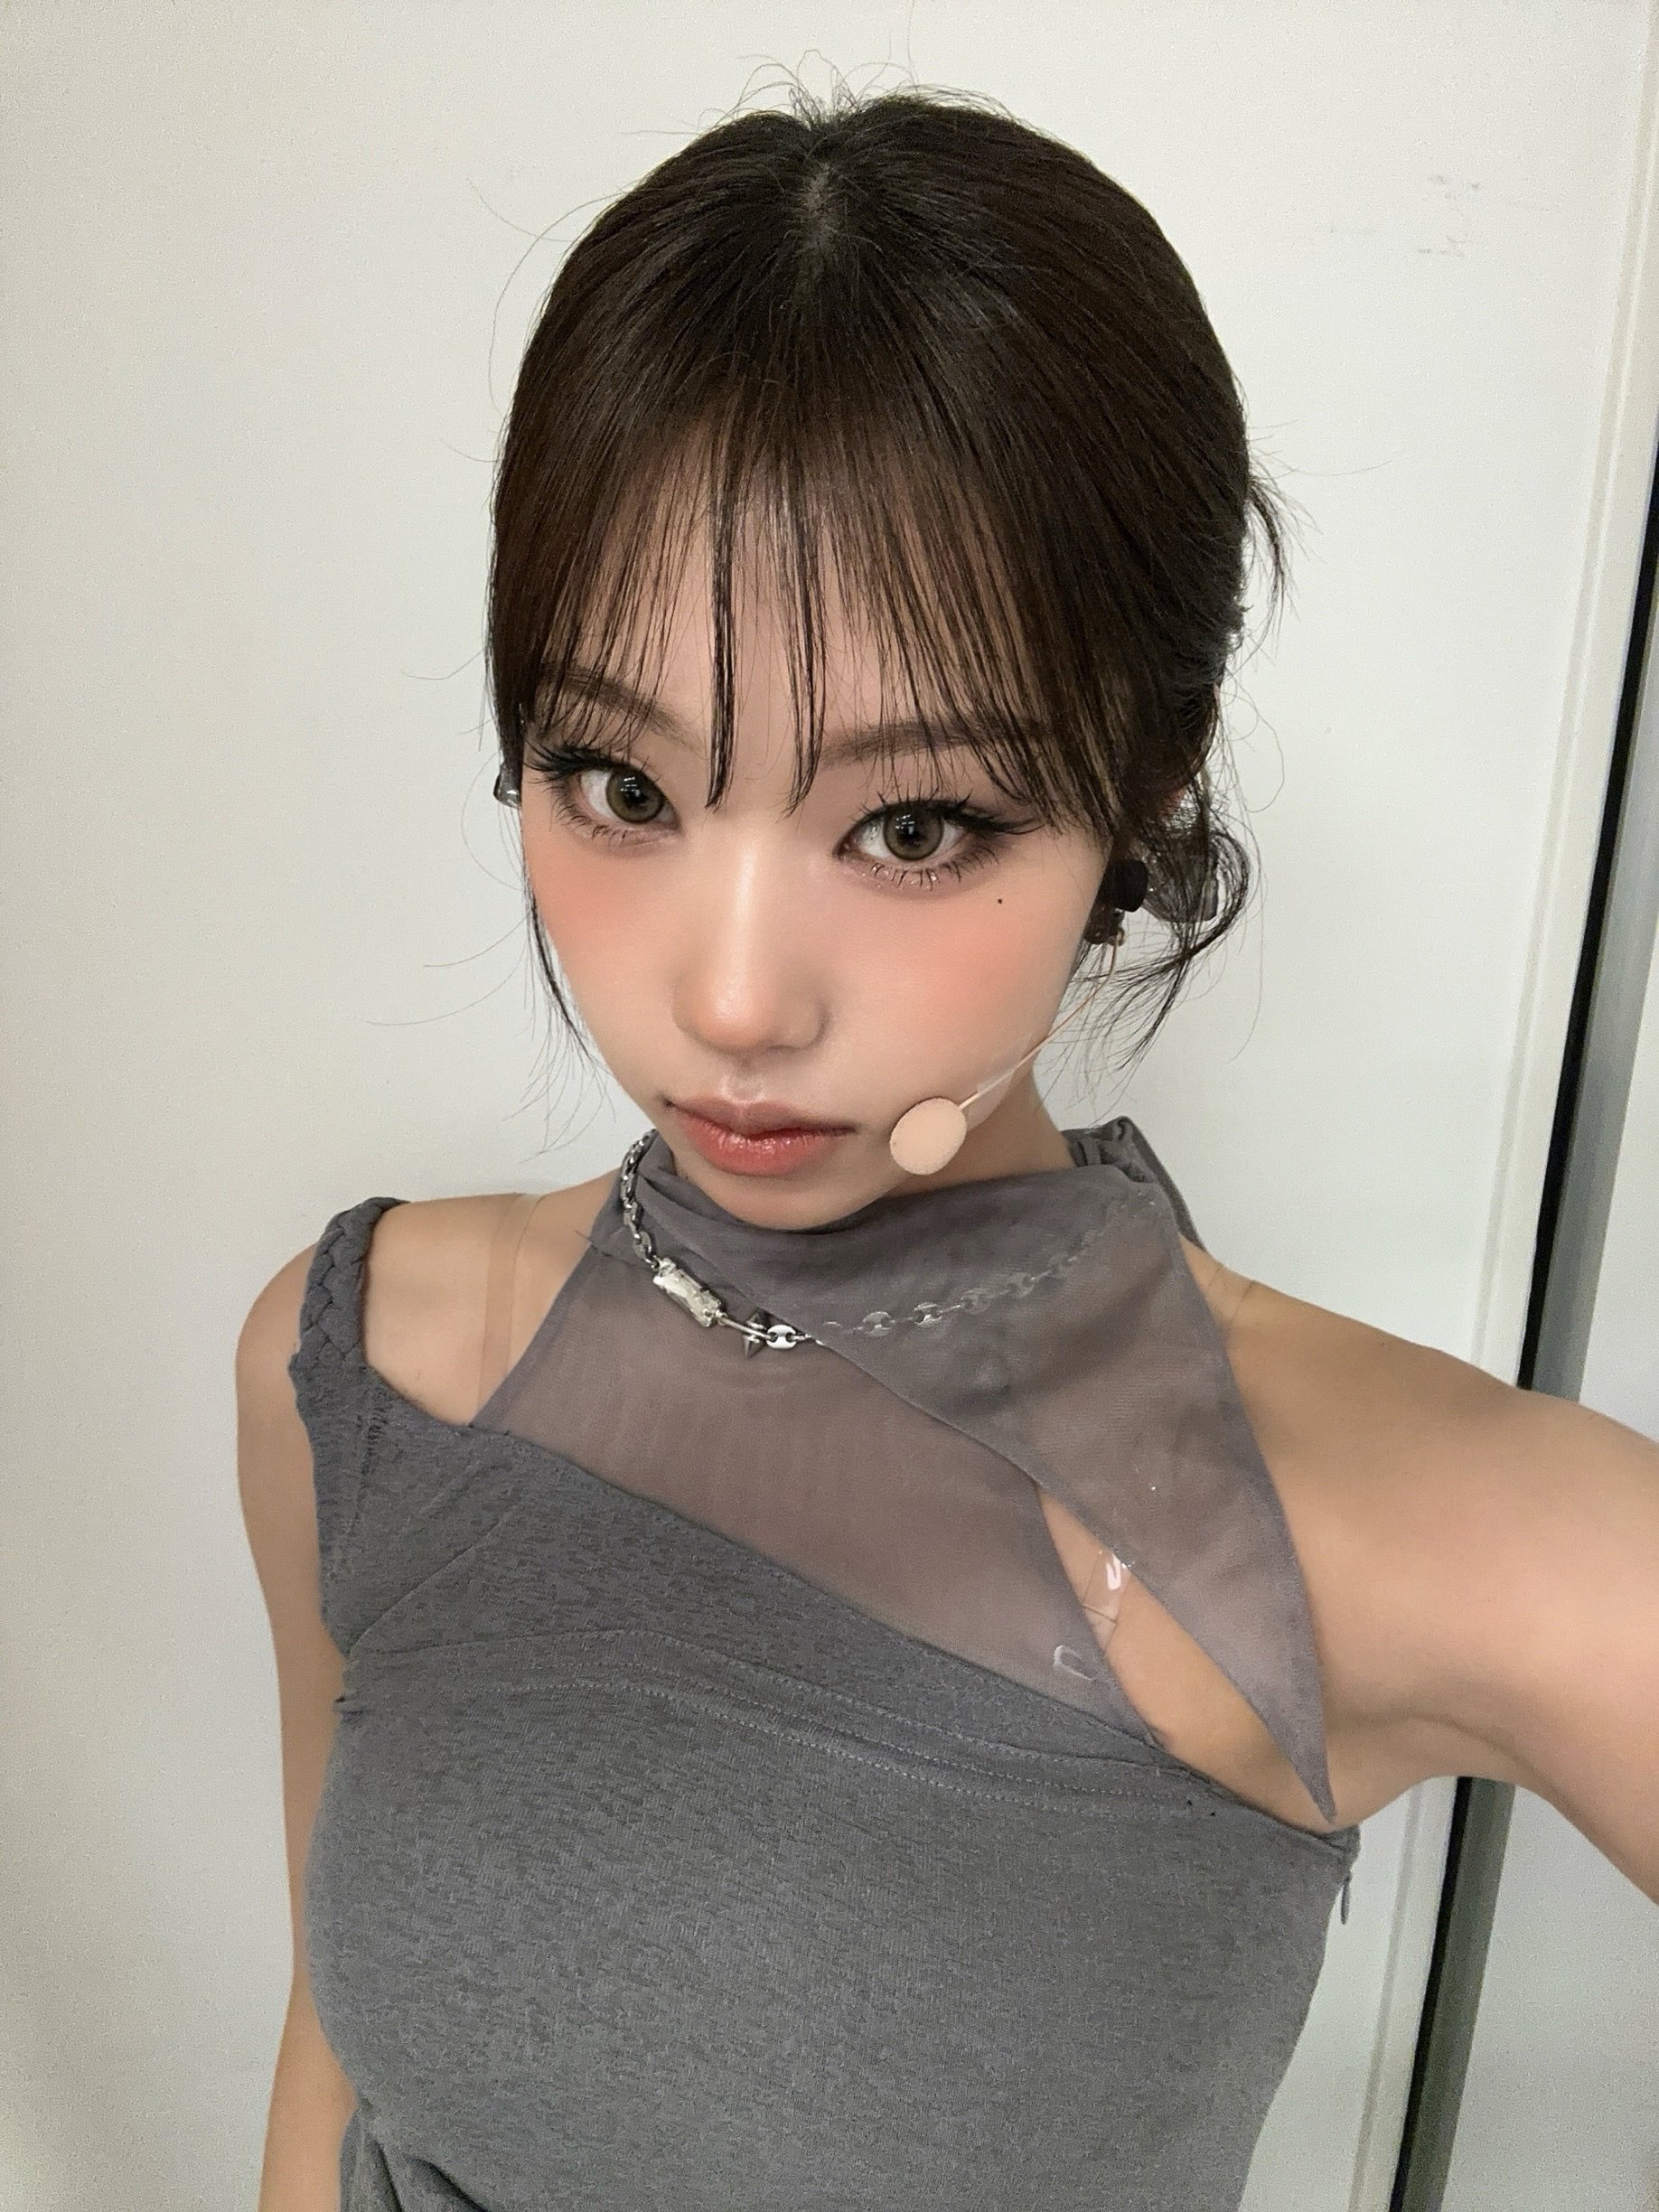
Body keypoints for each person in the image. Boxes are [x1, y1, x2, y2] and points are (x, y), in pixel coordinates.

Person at [235, 80, 1659, 2212]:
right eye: (621, 784)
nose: (733, 998)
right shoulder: (359, 1371)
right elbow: (330, 2067)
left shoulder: (1420, 1528)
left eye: (913, 825)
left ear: (1145, 779)